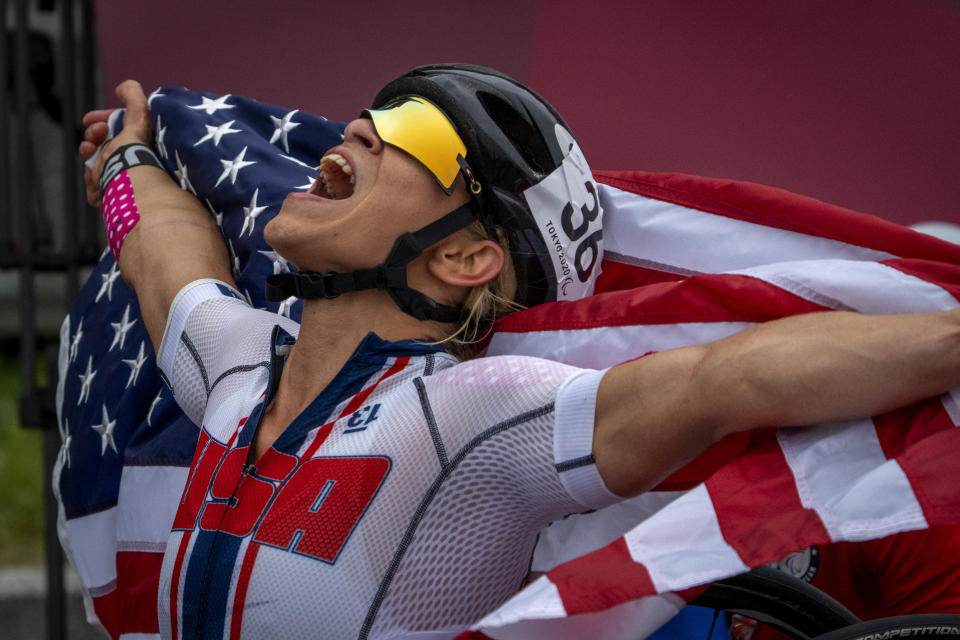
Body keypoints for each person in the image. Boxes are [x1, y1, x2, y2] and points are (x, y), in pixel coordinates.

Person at [79, 64, 960, 639]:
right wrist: (127, 164)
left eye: (414, 132)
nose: (360, 127)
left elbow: (725, 379)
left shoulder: (479, 410)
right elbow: (164, 254)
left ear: (466, 257)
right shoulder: (235, 363)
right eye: (377, 109)